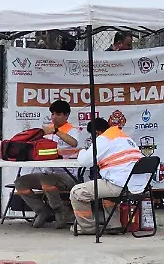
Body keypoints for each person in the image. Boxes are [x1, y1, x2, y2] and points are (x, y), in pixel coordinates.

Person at [70, 118, 147, 234]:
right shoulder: (125, 138)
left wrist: (81, 151)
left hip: (121, 186)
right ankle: (113, 224)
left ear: (96, 133)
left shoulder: (103, 139)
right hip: (139, 186)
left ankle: (87, 228)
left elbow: (85, 161)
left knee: (77, 192)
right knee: (106, 184)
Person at [13, 100, 80, 228]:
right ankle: (43, 211)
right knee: (20, 183)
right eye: (52, 114)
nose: (54, 117)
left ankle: (60, 212)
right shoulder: (46, 131)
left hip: (67, 176)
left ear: (66, 115)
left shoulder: (72, 130)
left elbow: (74, 143)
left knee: (47, 181)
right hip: (47, 172)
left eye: (58, 114)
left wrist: (56, 131)